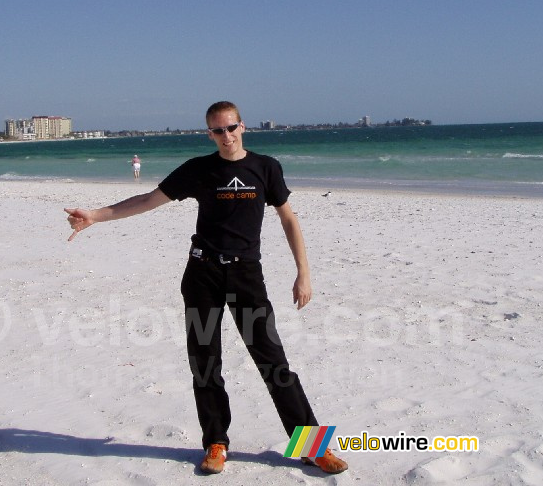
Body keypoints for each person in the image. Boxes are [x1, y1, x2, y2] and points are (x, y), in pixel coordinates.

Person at [64, 101, 347, 476]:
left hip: (247, 276)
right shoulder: (198, 170)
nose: (226, 136)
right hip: (202, 276)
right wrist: (96, 216)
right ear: (209, 133)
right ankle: (216, 443)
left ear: (242, 127)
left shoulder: (266, 168)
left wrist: (303, 273)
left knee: (273, 362)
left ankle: (313, 447)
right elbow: (148, 200)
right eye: (217, 130)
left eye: (231, 128)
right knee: (205, 362)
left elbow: (288, 218)